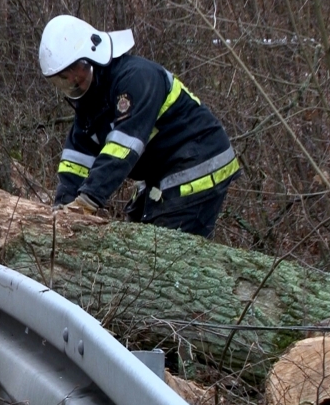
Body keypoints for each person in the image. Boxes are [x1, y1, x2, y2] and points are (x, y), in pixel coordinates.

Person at [39, 15, 240, 238]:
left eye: (77, 74)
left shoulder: (137, 78)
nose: (73, 83)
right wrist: (63, 205)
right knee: (136, 235)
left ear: (92, 57)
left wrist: (87, 200)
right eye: (64, 80)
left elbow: (123, 147)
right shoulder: (92, 101)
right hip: (164, 170)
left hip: (199, 160)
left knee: (164, 252)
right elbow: (76, 157)